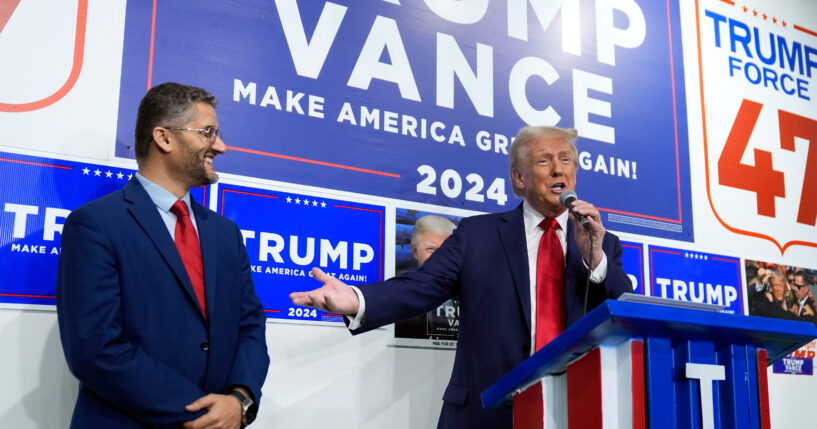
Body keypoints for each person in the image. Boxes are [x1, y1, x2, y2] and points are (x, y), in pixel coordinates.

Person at [291, 126, 632, 428]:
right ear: (519, 178)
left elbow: (626, 312)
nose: (558, 169)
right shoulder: (477, 235)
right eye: (544, 161)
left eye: (566, 160)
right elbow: (421, 286)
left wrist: (595, 258)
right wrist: (357, 299)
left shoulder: (601, 242)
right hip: (485, 414)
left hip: (574, 411)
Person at [56, 82, 270, 429]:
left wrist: (240, 399)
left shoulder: (225, 234)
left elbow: (250, 326)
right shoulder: (96, 225)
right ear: (164, 138)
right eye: (208, 132)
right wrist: (205, 414)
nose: (220, 146)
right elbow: (96, 349)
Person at [395, 215, 459, 341]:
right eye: (431, 249)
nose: (440, 258)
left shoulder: (473, 293)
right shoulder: (399, 294)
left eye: (447, 251)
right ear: (414, 251)